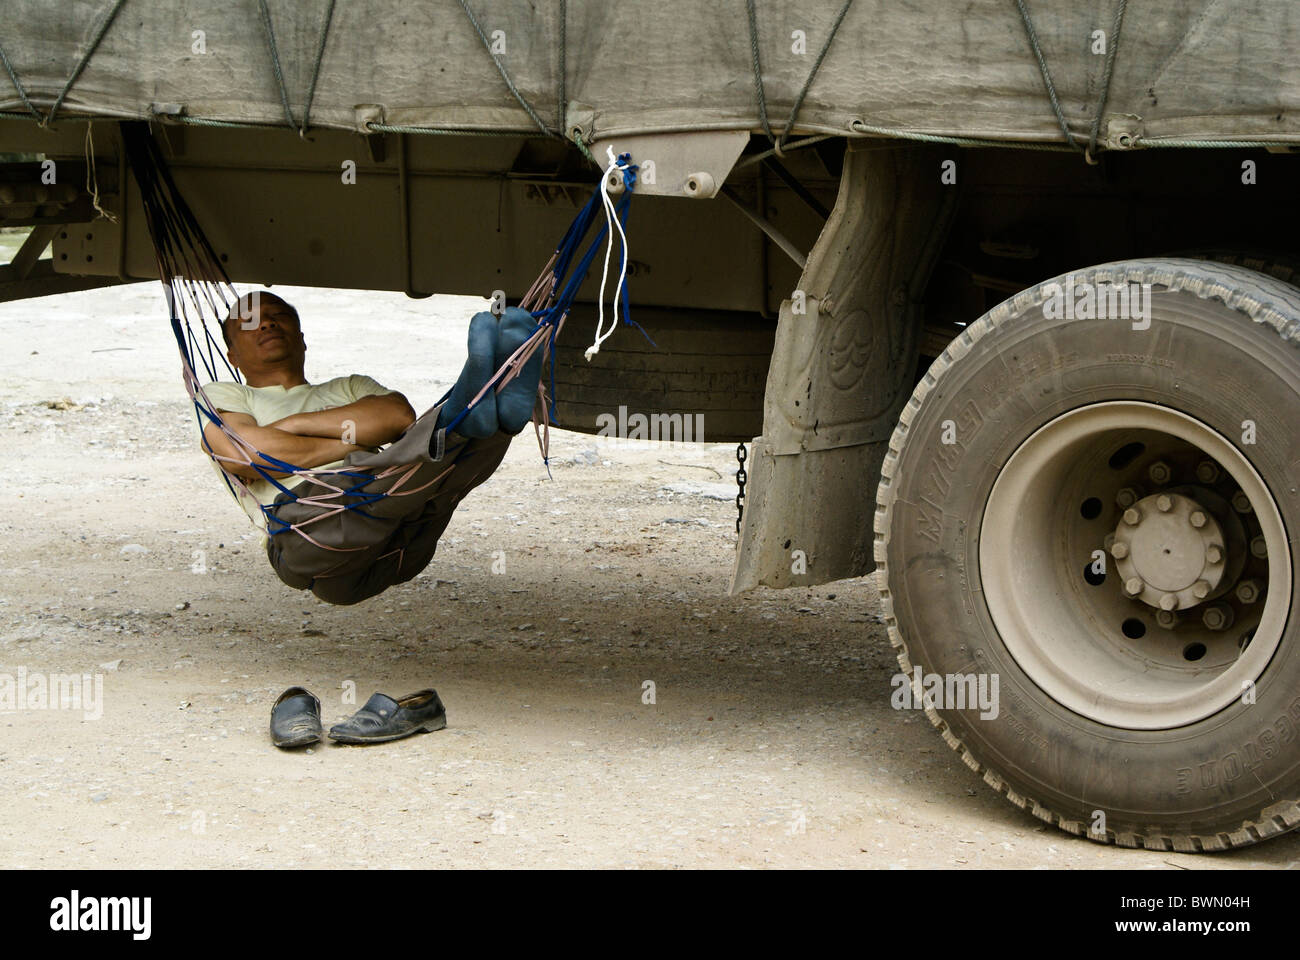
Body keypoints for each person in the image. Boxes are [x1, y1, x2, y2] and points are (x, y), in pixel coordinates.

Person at [200, 291, 543, 604]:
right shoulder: (227, 395)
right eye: (250, 322)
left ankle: (495, 420)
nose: (268, 322)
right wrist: (354, 442)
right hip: (308, 537)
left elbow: (398, 416)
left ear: (303, 340)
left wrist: (293, 426)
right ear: (232, 354)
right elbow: (246, 454)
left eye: (278, 314)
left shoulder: (349, 386)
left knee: (433, 483)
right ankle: (466, 413)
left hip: (394, 542)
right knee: (407, 471)